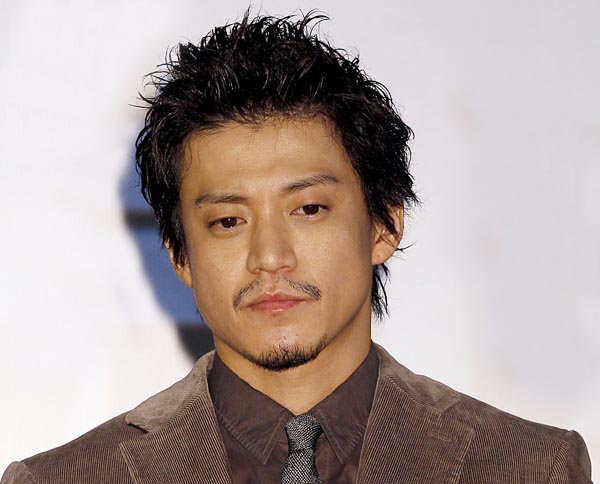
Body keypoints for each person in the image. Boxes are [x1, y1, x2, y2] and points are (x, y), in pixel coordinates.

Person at [2, 11, 592, 484]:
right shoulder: (63, 479)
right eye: (228, 221)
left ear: (384, 225)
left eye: (308, 209)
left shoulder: (529, 468)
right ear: (179, 255)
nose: (269, 256)